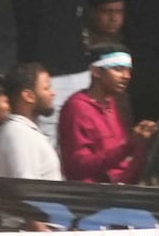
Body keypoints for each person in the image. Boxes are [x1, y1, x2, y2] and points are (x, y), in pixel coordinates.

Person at [59, 48, 145, 183]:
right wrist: (129, 146)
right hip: (94, 198)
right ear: (96, 71)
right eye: (118, 69)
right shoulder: (77, 109)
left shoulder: (113, 104)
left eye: (128, 70)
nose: (126, 76)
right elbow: (77, 166)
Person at [0, 61, 60, 178]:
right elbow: (25, 186)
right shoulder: (19, 133)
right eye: (46, 88)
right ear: (28, 96)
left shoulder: (24, 132)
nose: (53, 93)